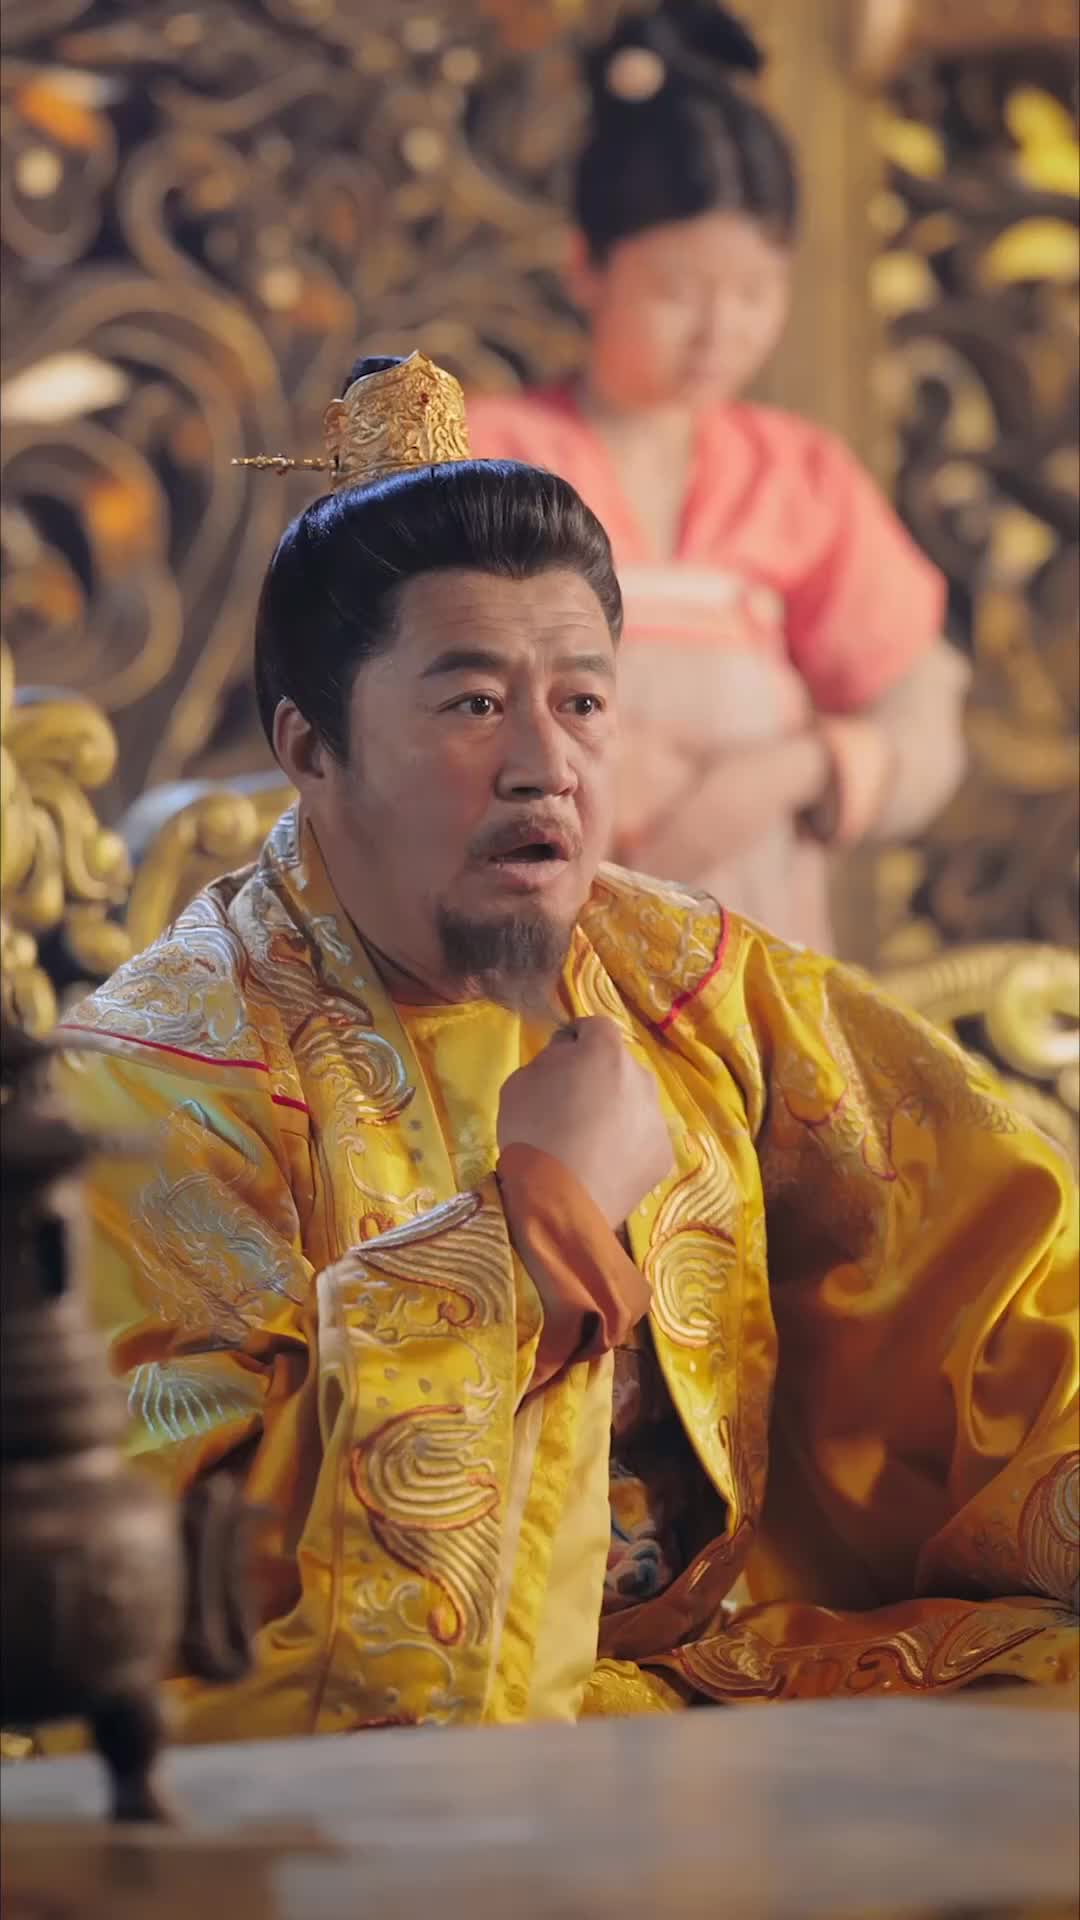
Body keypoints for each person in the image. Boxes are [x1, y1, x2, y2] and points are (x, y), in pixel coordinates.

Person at [46, 352, 1076, 1748]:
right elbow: (181, 1610)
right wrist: (532, 1229)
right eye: (474, 703)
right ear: (311, 747)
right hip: (421, 1763)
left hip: (715, 1673)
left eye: (582, 702)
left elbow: (999, 1277)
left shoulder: (688, 980)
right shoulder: (153, 1083)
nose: (547, 764)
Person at [467, 0, 969, 951]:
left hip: (755, 938)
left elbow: (917, 707)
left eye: (752, 293)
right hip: (531, 945)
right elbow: (391, 691)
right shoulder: (492, 456)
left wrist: (800, 768)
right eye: (677, 291)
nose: (717, 332)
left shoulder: (801, 476)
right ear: (587, 267)